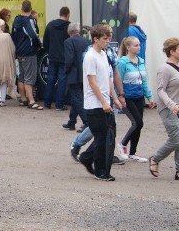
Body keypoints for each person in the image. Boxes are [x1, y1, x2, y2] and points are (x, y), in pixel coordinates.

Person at [76, 24, 122, 182]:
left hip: (104, 102)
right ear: (95, 39)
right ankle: (100, 171)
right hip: (94, 104)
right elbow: (92, 82)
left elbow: (108, 79)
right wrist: (103, 102)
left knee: (105, 136)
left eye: (109, 38)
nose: (108, 41)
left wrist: (114, 98)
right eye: (105, 38)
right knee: (102, 137)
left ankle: (87, 157)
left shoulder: (103, 54)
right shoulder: (90, 56)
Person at [148, 38, 179, 182]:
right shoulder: (164, 69)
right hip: (169, 109)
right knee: (176, 139)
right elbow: (160, 90)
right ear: (172, 52)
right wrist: (171, 105)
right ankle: (155, 159)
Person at [115, 36, 155, 163]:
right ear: (128, 47)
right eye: (136, 45)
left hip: (139, 97)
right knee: (137, 123)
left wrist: (149, 96)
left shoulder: (141, 61)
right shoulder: (122, 62)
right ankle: (122, 144)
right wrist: (119, 97)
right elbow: (117, 80)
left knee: (139, 125)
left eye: (139, 45)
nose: (139, 47)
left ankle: (133, 153)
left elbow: (144, 81)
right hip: (127, 97)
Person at [11, 0, 42, 109]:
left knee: (21, 76)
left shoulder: (16, 20)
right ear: (30, 8)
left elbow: (13, 36)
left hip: (19, 51)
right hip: (29, 52)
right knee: (29, 76)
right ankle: (31, 101)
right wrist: (38, 45)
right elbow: (33, 35)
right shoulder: (29, 20)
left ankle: (23, 99)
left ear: (21, 8)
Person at [62, 23, 90, 132]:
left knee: (77, 99)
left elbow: (69, 59)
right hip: (85, 74)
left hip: (74, 74)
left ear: (69, 32)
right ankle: (72, 122)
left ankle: (87, 122)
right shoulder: (87, 41)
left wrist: (66, 70)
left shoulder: (68, 42)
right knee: (75, 98)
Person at [42, 7, 71, 110]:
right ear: (68, 14)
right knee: (62, 81)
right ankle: (59, 104)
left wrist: (49, 51)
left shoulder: (50, 25)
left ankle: (47, 103)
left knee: (50, 80)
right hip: (64, 58)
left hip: (52, 57)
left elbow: (45, 41)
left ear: (60, 13)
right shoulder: (69, 26)